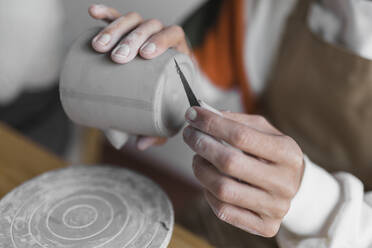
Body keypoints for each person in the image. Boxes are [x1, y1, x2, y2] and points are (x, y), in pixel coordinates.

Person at [88, 0, 372, 247]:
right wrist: (149, 75)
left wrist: (310, 202)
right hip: (224, 225)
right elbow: (187, 85)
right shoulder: (253, 6)